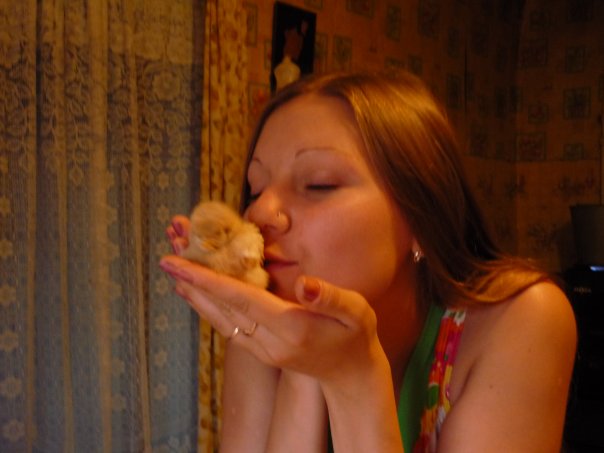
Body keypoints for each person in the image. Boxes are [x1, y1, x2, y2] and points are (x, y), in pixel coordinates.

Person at [160, 71, 577, 452]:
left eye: (318, 184)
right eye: (256, 188)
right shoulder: (262, 329)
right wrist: (305, 368)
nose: (260, 211)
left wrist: (353, 378)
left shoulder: (521, 319)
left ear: (421, 216)